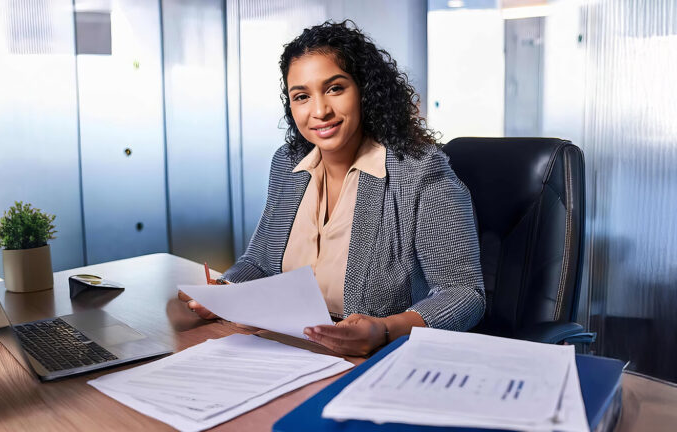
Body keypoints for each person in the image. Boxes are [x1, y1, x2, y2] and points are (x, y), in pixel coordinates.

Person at [180, 20, 484, 356]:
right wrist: (225, 291)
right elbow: (259, 262)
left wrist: (385, 330)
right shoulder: (287, 164)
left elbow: (464, 293)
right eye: (302, 96)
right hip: (286, 349)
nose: (320, 111)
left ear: (363, 90)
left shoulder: (419, 171)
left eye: (335, 88)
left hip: (379, 359)